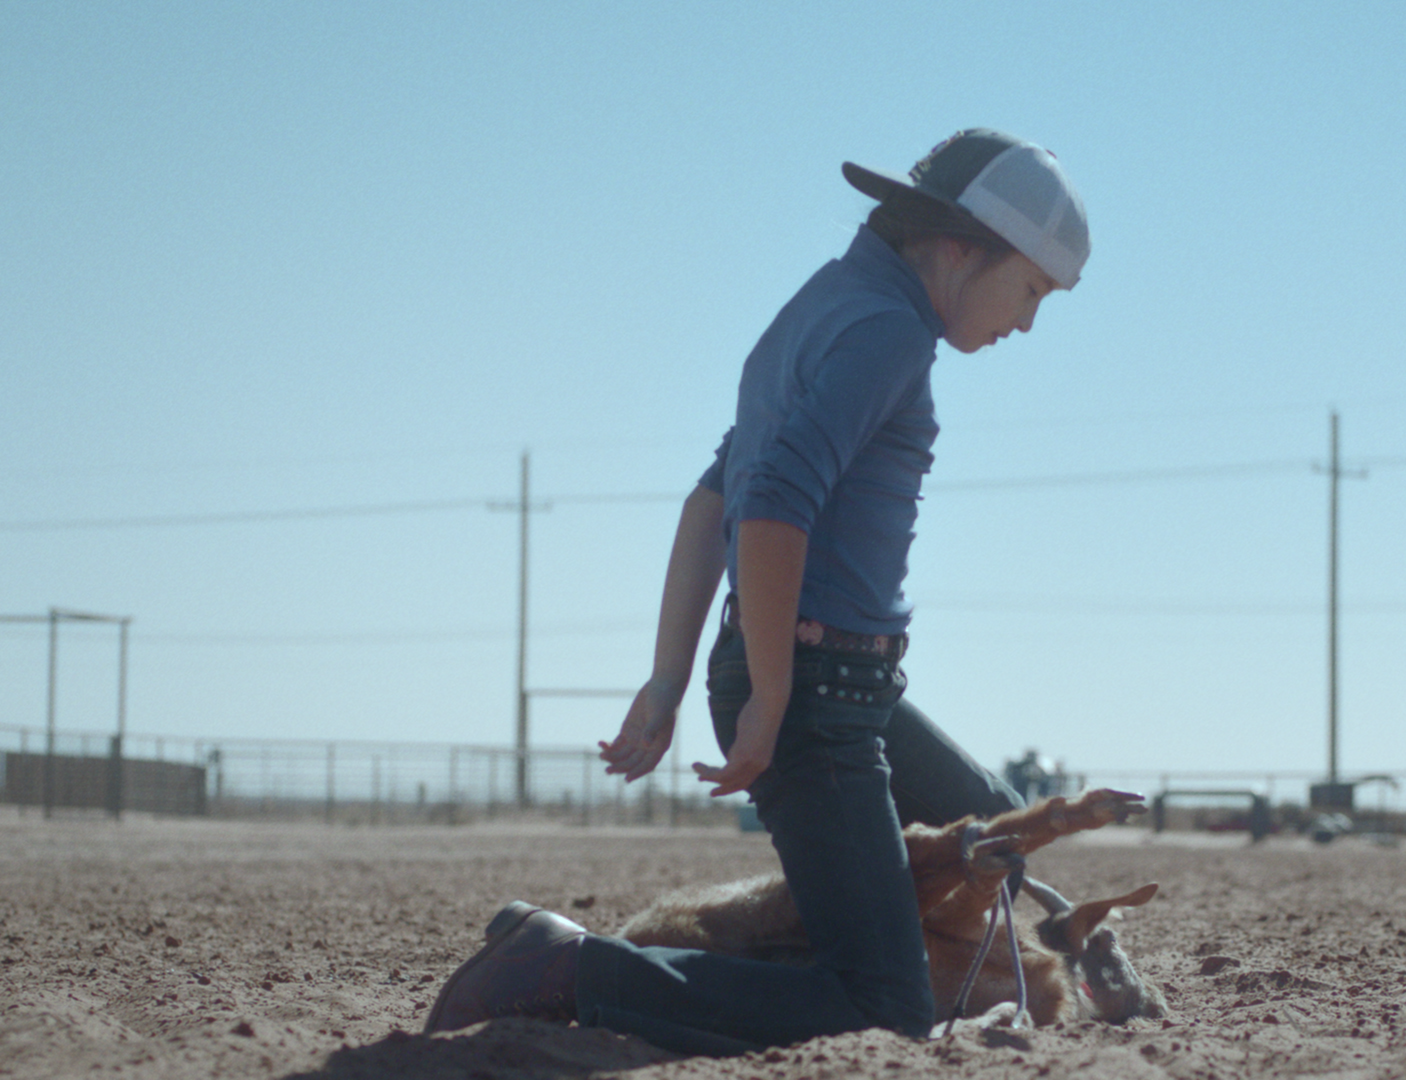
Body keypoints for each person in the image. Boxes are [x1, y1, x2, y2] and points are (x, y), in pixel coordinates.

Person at [423, 129, 1091, 1055]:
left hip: (832, 686)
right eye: (1032, 290)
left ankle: (818, 958)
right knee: (880, 1003)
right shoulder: (892, 330)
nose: (1026, 321)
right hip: (814, 691)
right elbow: (770, 504)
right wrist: (772, 695)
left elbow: (710, 502)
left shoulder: (825, 303)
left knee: (990, 819)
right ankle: (569, 967)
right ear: (962, 246)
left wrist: (669, 682)